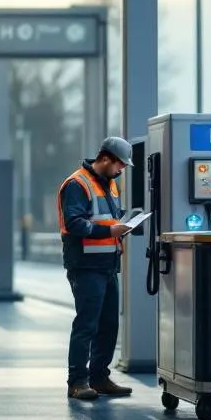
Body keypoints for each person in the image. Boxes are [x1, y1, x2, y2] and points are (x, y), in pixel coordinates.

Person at [58, 136, 136, 401]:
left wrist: (125, 224)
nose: (122, 169)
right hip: (85, 266)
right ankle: (77, 382)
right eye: (120, 164)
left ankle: (99, 377)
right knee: (86, 324)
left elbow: (106, 217)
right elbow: (74, 223)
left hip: (106, 264)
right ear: (105, 159)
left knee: (109, 324)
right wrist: (110, 230)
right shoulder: (77, 184)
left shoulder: (110, 185)